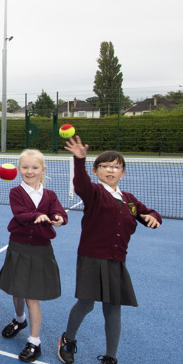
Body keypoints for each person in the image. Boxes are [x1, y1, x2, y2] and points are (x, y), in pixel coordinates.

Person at [58, 137, 162, 364]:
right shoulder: (94, 192)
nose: (111, 170)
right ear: (96, 171)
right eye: (105, 166)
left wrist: (153, 217)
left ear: (123, 173)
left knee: (113, 308)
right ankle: (68, 340)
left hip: (117, 260)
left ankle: (110, 357)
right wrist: (79, 160)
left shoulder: (129, 200)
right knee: (86, 303)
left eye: (116, 167)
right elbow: (81, 184)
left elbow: (149, 213)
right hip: (92, 257)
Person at [0, 149, 68, 363]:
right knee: (16, 291)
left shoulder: (51, 195)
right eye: (25, 167)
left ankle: (34, 341)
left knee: (31, 296)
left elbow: (61, 213)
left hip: (41, 250)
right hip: (18, 247)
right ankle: (20, 319)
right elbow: (21, 214)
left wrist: (58, 219)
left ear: (43, 170)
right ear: (19, 169)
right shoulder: (16, 192)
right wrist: (39, 215)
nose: (30, 171)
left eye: (34, 167)